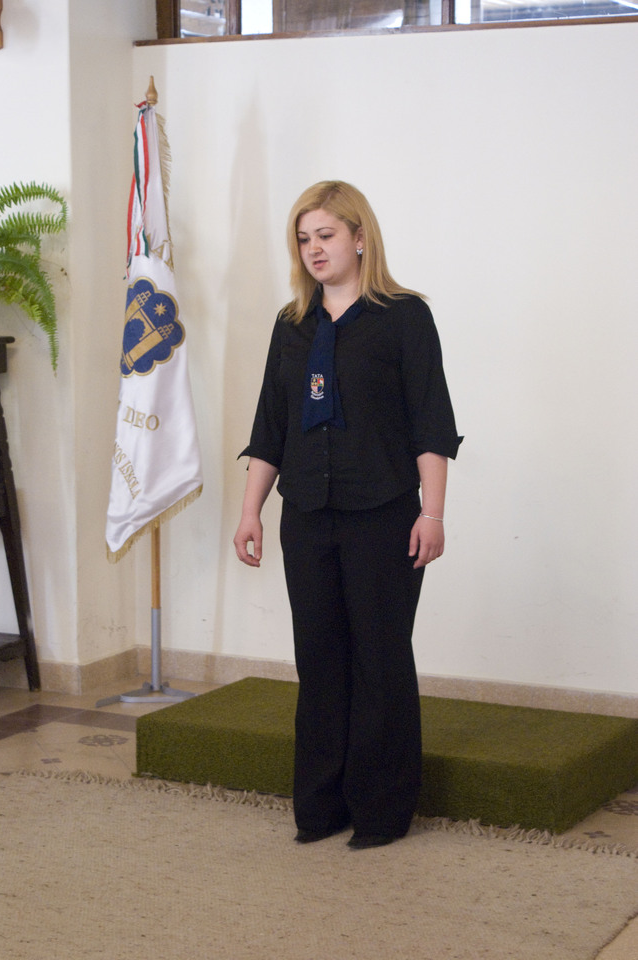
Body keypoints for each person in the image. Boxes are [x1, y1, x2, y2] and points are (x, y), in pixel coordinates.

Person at [234, 181, 462, 850]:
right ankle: (320, 807)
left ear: (360, 238)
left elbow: (430, 421)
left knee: (379, 660)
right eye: (303, 239)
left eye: (326, 236)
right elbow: (271, 426)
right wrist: (250, 512)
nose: (314, 249)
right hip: (307, 515)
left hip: (383, 515)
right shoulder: (291, 324)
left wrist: (433, 514)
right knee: (319, 659)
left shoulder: (404, 317)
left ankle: (382, 811)